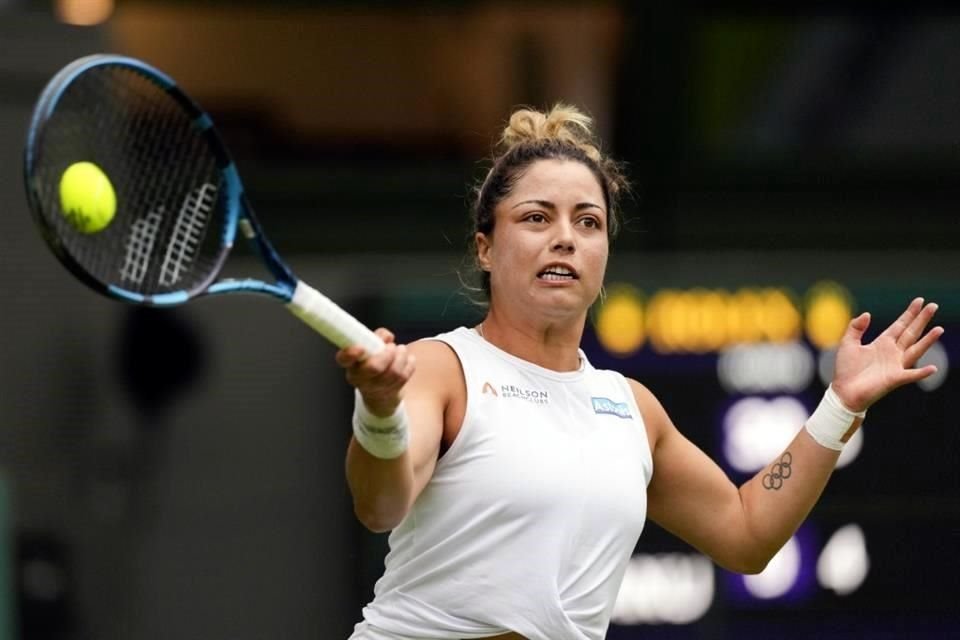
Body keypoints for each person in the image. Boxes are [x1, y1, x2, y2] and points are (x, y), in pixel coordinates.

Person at [336, 104, 944, 640]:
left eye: (588, 221)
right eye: (536, 218)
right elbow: (380, 505)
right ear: (486, 248)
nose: (565, 239)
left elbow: (748, 535)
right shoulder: (441, 369)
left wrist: (842, 403)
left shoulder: (630, 407)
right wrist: (381, 410)